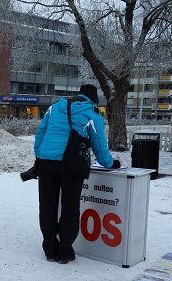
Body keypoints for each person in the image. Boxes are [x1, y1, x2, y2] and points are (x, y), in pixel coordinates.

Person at [34, 84, 120, 264]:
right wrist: (110, 163)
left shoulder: (55, 106)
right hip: (71, 166)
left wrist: (39, 153)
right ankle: (64, 251)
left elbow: (41, 130)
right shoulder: (91, 112)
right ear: (93, 99)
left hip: (46, 162)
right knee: (70, 207)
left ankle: (49, 248)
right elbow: (99, 143)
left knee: (47, 206)